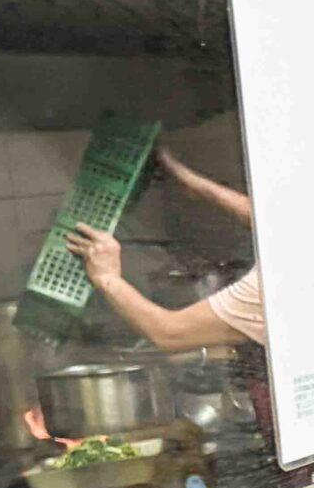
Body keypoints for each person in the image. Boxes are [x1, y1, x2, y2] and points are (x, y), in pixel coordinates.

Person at [62, 146, 263, 349]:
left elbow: (170, 333)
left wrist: (107, 277)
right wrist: (189, 180)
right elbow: (268, 220)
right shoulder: (288, 238)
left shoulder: (265, 289)